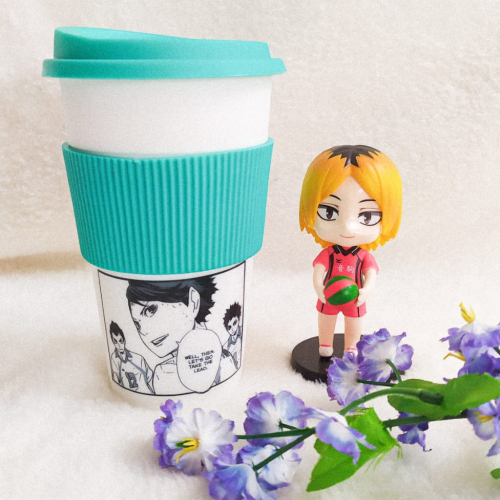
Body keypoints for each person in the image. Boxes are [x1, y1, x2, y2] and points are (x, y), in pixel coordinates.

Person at [299, 145, 402, 356]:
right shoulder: (329, 254)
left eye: (367, 216)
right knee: (326, 318)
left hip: (355, 298)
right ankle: (325, 344)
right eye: (329, 212)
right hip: (328, 295)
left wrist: (366, 291)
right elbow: (318, 271)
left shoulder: (363, 256)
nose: (347, 227)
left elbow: (370, 274)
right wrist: (319, 287)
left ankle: (351, 346)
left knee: (354, 321)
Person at [126, 276, 223, 394]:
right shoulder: (163, 374)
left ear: (193, 301)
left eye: (151, 310)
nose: (143, 331)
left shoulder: (165, 374)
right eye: (137, 324)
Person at [108, 321, 154, 394]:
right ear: (113, 342)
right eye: (115, 342)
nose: (119, 345)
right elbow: (116, 379)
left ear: (124, 340)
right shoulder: (114, 359)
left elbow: (150, 378)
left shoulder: (138, 358)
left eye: (121, 341)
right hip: (124, 395)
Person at [222, 302, 243, 368]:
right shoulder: (225, 347)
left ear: (239, 320)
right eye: (229, 327)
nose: (232, 329)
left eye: (234, 323)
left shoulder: (242, 333)